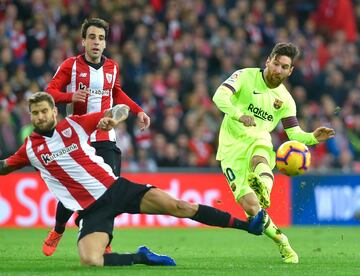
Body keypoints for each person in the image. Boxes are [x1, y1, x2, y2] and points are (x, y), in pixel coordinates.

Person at [0, 92, 264, 267]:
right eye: (35, 113)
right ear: (30, 116)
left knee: (181, 207)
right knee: (91, 261)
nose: (40, 117)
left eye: (44, 111)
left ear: (54, 112)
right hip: (91, 209)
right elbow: (4, 167)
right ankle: (142, 256)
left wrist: (110, 120)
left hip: (116, 189)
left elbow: (121, 109)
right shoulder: (30, 150)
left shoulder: (75, 124)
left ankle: (247, 226)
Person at [212, 43, 335, 264]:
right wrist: (239, 115)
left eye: (284, 67)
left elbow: (294, 134)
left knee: (261, 155)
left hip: (258, 140)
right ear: (268, 61)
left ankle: (263, 188)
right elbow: (219, 97)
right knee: (252, 209)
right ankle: (283, 243)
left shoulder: (286, 100)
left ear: (291, 71)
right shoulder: (244, 76)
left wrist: (313, 137)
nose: (278, 70)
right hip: (230, 150)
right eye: (276, 63)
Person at [44, 18, 151, 256]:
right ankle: (58, 229)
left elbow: (116, 92)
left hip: (105, 136)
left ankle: (104, 239)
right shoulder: (70, 66)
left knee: (109, 190)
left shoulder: (112, 67)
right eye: (92, 37)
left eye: (101, 38)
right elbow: (49, 92)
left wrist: (138, 111)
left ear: (105, 43)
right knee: (75, 189)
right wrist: (70, 97)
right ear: (83, 41)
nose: (96, 42)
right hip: (78, 138)